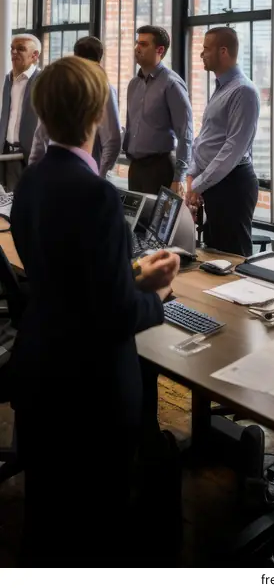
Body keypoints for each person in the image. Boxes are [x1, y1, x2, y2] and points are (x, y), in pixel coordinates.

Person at [10, 56, 179, 567]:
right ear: (96, 117)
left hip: (41, 371)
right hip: (91, 389)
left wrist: (126, 276)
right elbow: (113, 316)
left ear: (42, 113)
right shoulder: (99, 196)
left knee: (49, 519)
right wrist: (155, 295)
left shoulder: (29, 184)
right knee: (96, 525)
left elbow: (64, 277)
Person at [187, 27, 260, 257]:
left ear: (224, 52)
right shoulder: (221, 88)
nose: (202, 54)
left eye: (206, 49)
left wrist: (197, 185)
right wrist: (193, 175)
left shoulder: (243, 91)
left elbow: (232, 150)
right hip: (215, 184)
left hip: (233, 185)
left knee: (232, 260)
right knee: (214, 256)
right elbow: (206, 137)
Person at [28, 35, 122, 177]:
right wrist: (99, 177)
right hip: (71, 171)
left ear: (75, 56)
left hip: (73, 171)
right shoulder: (97, 87)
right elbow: (113, 140)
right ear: (100, 59)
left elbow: (40, 136)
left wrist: (33, 170)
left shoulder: (101, 88)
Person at [124, 25, 193, 196]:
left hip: (160, 168)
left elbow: (185, 132)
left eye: (143, 44)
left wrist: (179, 177)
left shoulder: (172, 84)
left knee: (155, 222)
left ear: (160, 50)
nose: (137, 48)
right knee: (136, 222)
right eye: (136, 43)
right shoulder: (134, 84)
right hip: (136, 168)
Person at [0, 34, 41, 191]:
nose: (14, 52)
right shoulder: (8, 79)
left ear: (35, 55)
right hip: (8, 154)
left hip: (31, 156)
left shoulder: (43, 80)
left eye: (21, 49)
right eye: (12, 48)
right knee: (10, 205)